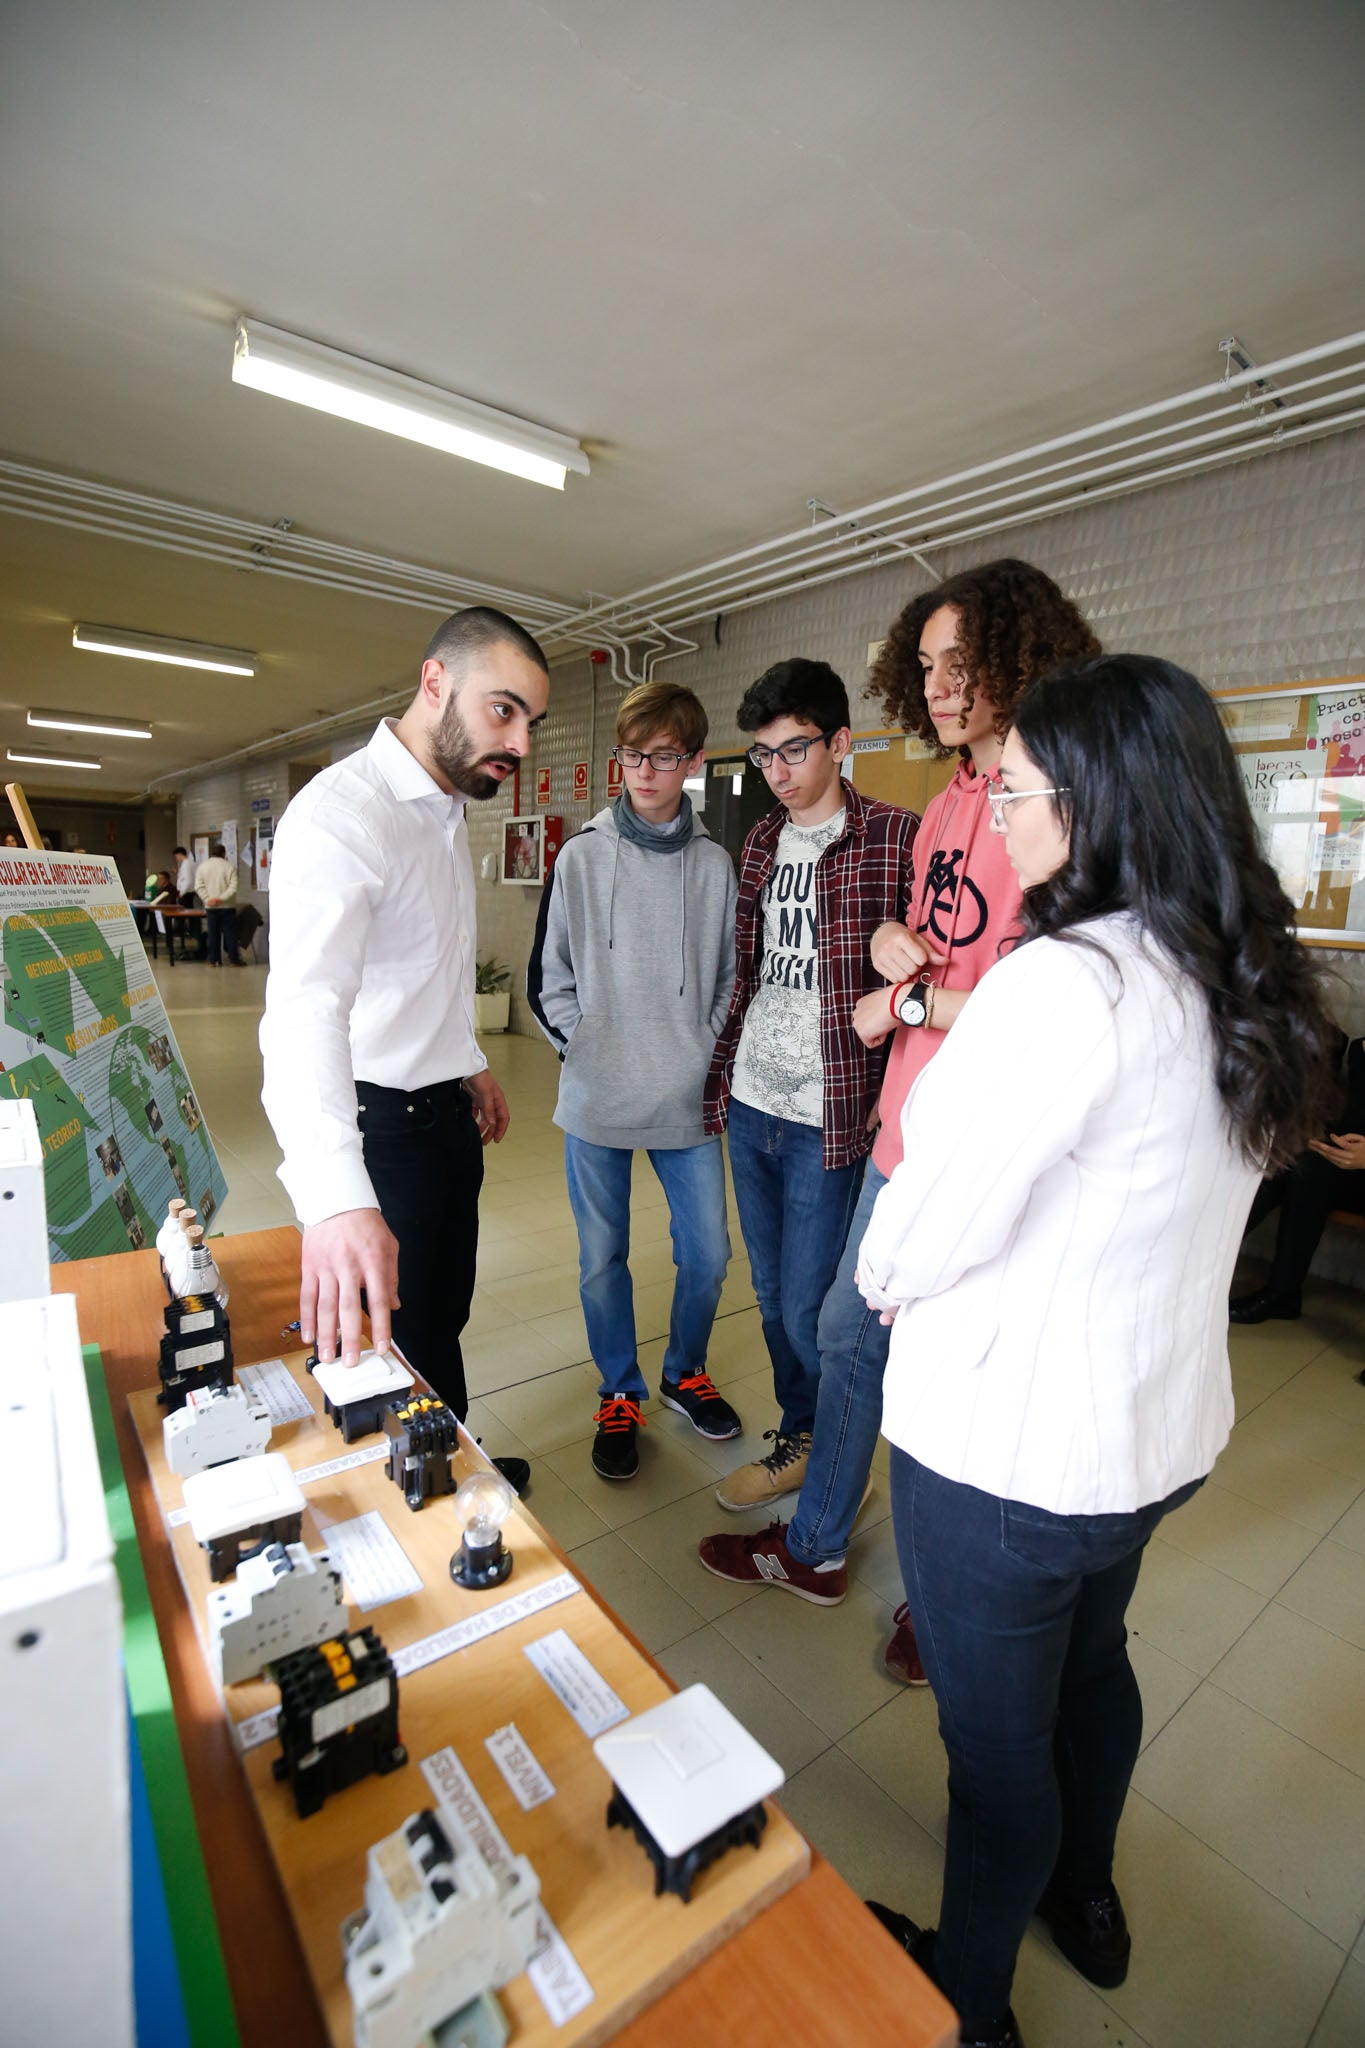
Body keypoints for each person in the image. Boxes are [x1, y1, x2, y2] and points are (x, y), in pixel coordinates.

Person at [856, 654, 1337, 2048]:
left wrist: (882, 1281)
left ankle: (970, 2005)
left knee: (994, 1756)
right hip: (1149, 1436)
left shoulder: (1059, 985)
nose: (995, 812)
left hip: (1006, 1455)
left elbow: (926, 1221)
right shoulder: (1240, 975)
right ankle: (1087, 1897)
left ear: (1097, 801)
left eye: (1013, 788)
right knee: (1094, 1668)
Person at [697, 561, 1101, 1684]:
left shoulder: (1059, 799)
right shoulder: (944, 810)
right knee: (843, 1335)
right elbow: (924, 937)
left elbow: (1053, 1001)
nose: (935, 684)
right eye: (922, 665)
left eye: (958, 663)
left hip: (989, 1142)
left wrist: (909, 997)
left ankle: (943, 1599)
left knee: (950, 1378)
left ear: (1019, 660)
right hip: (901, 1125)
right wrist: (890, 951)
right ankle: (821, 1544)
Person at [260, 606, 549, 1462]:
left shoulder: (444, 805)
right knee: (391, 1348)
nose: (521, 742)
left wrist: (469, 1063)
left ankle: (454, 1469)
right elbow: (304, 1011)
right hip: (380, 1134)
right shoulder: (343, 814)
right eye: (504, 710)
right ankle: (426, 1508)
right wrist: (337, 1200)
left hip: (444, 1120)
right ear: (435, 683)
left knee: (438, 1320)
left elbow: (424, 966)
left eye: (531, 721)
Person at [702, 658, 918, 1509]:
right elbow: (749, 970)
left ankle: (835, 1464)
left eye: (793, 751)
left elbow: (935, 960)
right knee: (766, 1295)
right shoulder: (759, 840)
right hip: (752, 1103)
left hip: (831, 1116)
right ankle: (802, 1440)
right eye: (762, 756)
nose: (778, 774)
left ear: (840, 742)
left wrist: (892, 945)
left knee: (811, 1310)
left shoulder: (895, 837)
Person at [528, 680, 740, 1480]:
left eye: (662, 757)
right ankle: (619, 1391)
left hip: (686, 1099)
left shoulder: (715, 866)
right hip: (596, 1100)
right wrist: (586, 1047)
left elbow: (728, 978)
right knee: (600, 1257)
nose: (643, 772)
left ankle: (684, 1372)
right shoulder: (580, 856)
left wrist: (702, 1047)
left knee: (710, 1254)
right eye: (630, 755)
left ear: (688, 763)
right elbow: (548, 977)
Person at [1230, 1032, 1365, 1321]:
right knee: (1296, 1166)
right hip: (1348, 1163)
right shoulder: (1361, 1046)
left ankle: (1191, 1266)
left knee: (1304, 1167)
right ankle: (1280, 1293)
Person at [196, 842, 241, 966]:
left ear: (211, 853)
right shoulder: (229, 867)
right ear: (224, 853)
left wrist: (208, 899)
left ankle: (213, 959)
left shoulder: (203, 867)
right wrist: (221, 899)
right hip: (227, 906)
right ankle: (234, 959)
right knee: (230, 934)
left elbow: (199, 886)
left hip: (210, 906)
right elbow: (233, 887)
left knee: (213, 933)